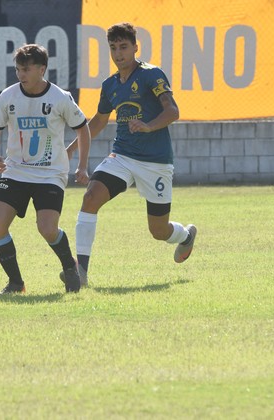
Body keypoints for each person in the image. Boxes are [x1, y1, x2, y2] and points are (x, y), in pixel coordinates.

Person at [63, 22, 196, 288]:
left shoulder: (151, 75)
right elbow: (98, 121)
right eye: (113, 48)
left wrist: (148, 126)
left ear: (135, 47)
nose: (118, 53)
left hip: (155, 162)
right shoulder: (110, 84)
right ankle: (80, 273)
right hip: (121, 156)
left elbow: (172, 111)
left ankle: (185, 235)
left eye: (123, 47)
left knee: (158, 230)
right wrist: (70, 150)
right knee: (90, 197)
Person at [0, 44, 91, 294]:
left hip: (50, 174)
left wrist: (82, 165)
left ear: (42, 69)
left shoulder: (60, 98)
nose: (20, 74)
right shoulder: (8, 96)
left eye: (26, 69)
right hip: (15, 171)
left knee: (47, 229)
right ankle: (16, 283)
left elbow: (83, 129)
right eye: (17, 69)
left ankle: (70, 267)